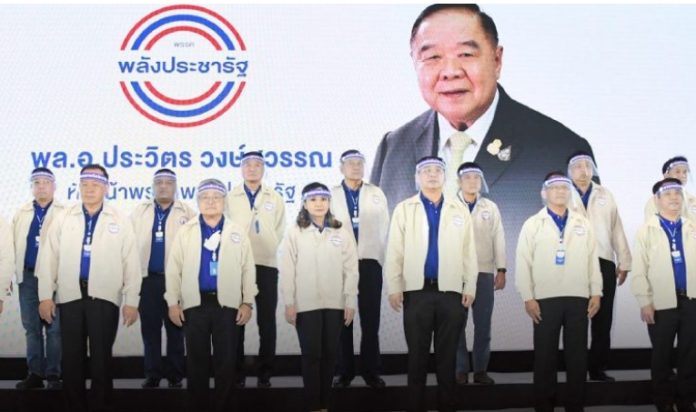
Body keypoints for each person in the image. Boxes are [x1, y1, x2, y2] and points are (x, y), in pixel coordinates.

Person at [37, 164, 141, 412]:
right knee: (71, 359)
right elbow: (48, 258)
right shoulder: (64, 217)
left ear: (106, 188)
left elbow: (131, 262)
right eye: (85, 185)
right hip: (70, 297)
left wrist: (132, 301)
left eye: (95, 185)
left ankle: (101, 405)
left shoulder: (120, 219)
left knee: (101, 360)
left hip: (104, 299)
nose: (89, 189)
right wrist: (45, 296)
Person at [385, 156, 478, 412]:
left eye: (438, 170)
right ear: (417, 177)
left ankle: (447, 405)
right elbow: (394, 251)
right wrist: (394, 286)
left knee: (447, 358)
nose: (433, 174)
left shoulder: (459, 209)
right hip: (417, 292)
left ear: (445, 177)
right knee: (417, 357)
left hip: (451, 292)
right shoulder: (405, 208)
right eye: (426, 170)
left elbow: (469, 252)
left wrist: (470, 286)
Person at [165, 178, 257, 412]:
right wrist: (173, 302)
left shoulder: (237, 232)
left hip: (228, 306)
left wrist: (247, 302)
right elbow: (174, 269)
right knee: (196, 364)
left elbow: (248, 269)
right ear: (198, 202)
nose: (211, 202)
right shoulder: (186, 231)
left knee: (226, 364)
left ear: (224, 201)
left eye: (216, 197)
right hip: (194, 306)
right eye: (205, 198)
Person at [515, 172, 602, 412]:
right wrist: (528, 297)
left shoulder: (582, 223)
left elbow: (592, 260)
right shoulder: (533, 223)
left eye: (564, 187)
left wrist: (596, 292)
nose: (560, 191)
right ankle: (544, 405)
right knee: (545, 357)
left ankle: (575, 405)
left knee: (577, 357)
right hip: (545, 299)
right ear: (544, 193)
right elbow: (523, 263)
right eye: (554, 188)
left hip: (578, 297)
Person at [279, 182, 358, 412]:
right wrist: (289, 302)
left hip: (335, 304)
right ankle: (313, 406)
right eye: (313, 200)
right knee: (312, 356)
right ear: (304, 204)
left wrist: (350, 301)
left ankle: (325, 405)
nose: (319, 204)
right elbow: (287, 270)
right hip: (306, 305)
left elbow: (351, 269)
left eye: (323, 199)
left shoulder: (341, 231)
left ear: (329, 203)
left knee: (330, 355)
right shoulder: (295, 232)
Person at [631, 178, 696, 412]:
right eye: (668, 194)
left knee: (690, 354)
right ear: (657, 200)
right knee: (662, 355)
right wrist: (644, 301)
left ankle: (686, 400)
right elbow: (639, 270)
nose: (674, 197)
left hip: (691, 301)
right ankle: (664, 401)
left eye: (678, 193)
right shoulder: (646, 230)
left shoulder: (692, 227)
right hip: (660, 303)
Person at [566, 152, 632, 382]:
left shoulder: (605, 194)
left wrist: (624, 260)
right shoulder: (563, 193)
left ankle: (597, 368)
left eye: (588, 166)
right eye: (578, 166)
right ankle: (575, 368)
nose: (584, 171)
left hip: (603, 260)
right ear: (569, 171)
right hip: (573, 262)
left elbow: (616, 228)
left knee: (603, 319)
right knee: (575, 317)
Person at [225, 151, 286, 388]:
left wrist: (268, 246)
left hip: (266, 265)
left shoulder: (275, 197)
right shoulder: (230, 197)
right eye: (247, 165)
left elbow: (279, 229)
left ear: (263, 169)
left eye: (257, 165)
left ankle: (265, 373)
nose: (252, 168)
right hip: (237, 265)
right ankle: (236, 373)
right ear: (241, 169)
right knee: (236, 321)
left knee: (266, 321)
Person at [131, 168, 196, 389]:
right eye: (159, 182)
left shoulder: (187, 213)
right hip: (148, 280)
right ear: (153, 186)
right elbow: (128, 246)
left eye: (168, 182)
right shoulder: (140, 212)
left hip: (176, 281)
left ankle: (176, 375)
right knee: (150, 331)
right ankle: (153, 374)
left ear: (175, 186)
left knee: (176, 329)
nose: (163, 186)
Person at [330, 150, 390, 389]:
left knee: (370, 319)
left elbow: (385, 228)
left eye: (359, 163)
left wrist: (379, 258)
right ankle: (344, 371)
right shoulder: (331, 194)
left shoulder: (376, 193)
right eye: (350, 163)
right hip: (340, 263)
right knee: (342, 319)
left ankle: (371, 371)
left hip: (369, 263)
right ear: (341, 168)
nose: (355, 167)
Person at [11, 168, 65, 390]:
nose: (41, 186)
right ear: (32, 187)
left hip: (54, 277)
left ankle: (54, 375)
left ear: (54, 186)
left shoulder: (65, 213)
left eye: (46, 182)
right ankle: (35, 373)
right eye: (37, 183)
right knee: (31, 328)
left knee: (54, 329)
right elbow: (12, 246)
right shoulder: (22, 212)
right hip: (27, 277)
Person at [453, 162, 506, 386]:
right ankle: (460, 369)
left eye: (477, 177)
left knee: (483, 325)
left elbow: (498, 238)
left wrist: (501, 269)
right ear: (459, 181)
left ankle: (481, 370)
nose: (473, 181)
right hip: (456, 274)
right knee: (457, 324)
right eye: (468, 177)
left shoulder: (489, 207)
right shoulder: (449, 206)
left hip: (484, 272)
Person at [644, 156, 696, 221]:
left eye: (685, 172)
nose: (683, 175)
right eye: (677, 172)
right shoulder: (655, 202)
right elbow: (652, 226)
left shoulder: (692, 200)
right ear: (666, 175)